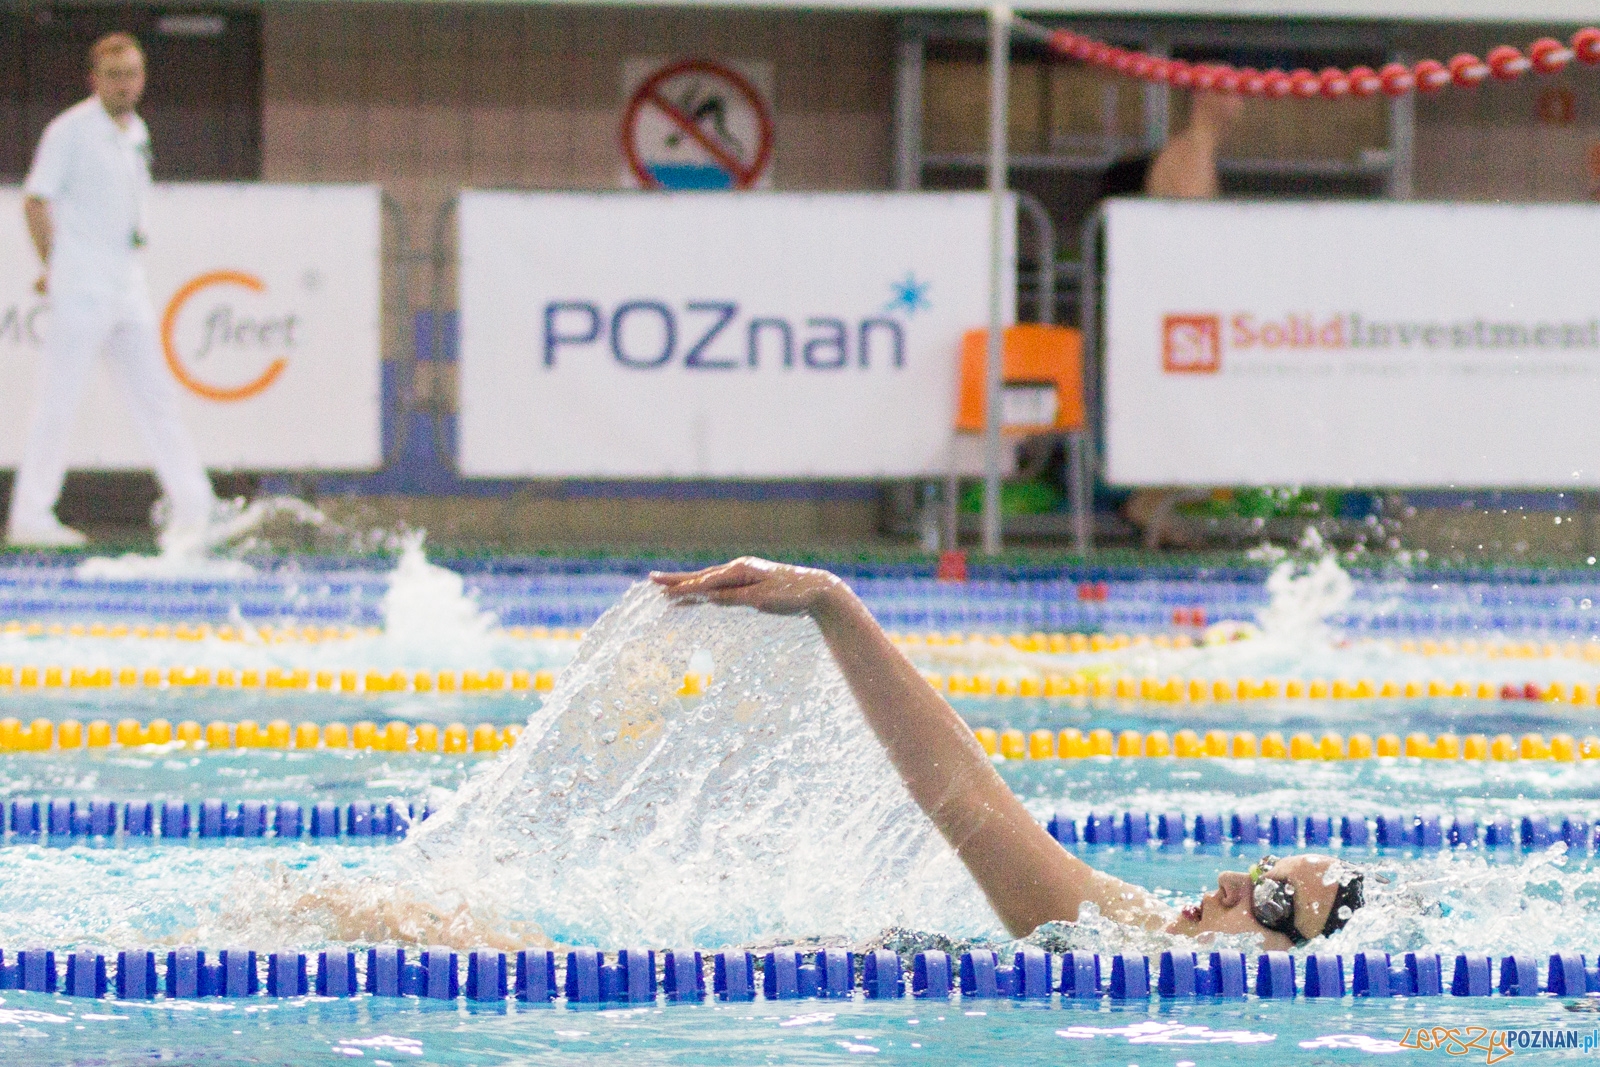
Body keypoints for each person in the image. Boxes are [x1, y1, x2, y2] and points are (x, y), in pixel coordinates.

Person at [653, 557, 1364, 946]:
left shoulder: (1146, 962)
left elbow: (965, 805)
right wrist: (832, 603)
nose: (1231, 879)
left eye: (1272, 898)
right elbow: (968, 799)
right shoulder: (1132, 930)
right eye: (1262, 869)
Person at [8, 32, 217, 549]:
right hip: (82, 284)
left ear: (143, 78)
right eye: (114, 75)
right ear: (94, 79)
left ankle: (194, 508)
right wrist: (54, 265)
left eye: (132, 74)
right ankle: (31, 515)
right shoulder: (70, 131)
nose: (124, 84)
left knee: (156, 398)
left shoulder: (135, 131)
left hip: (126, 284)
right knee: (59, 397)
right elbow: (36, 201)